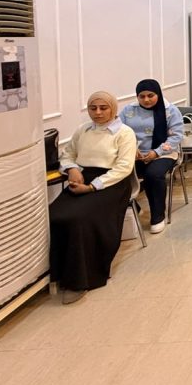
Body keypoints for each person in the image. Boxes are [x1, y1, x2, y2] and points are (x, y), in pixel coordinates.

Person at [51, 91, 137, 304]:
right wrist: (71, 169)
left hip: (111, 184)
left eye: (103, 108)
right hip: (82, 178)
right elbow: (68, 154)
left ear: (113, 109)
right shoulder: (83, 130)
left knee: (80, 218)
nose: (98, 112)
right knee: (54, 215)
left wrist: (91, 187)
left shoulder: (124, 133)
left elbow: (123, 168)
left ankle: (81, 279)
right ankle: (57, 272)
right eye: (93, 108)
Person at [120, 79, 184, 234]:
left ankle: (157, 216)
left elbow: (176, 136)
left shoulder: (170, 110)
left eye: (150, 95)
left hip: (164, 153)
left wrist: (156, 152)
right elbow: (119, 132)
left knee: (153, 175)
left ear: (158, 94)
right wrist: (131, 149)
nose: (146, 100)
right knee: (117, 173)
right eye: (141, 96)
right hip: (134, 154)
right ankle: (133, 207)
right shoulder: (128, 110)